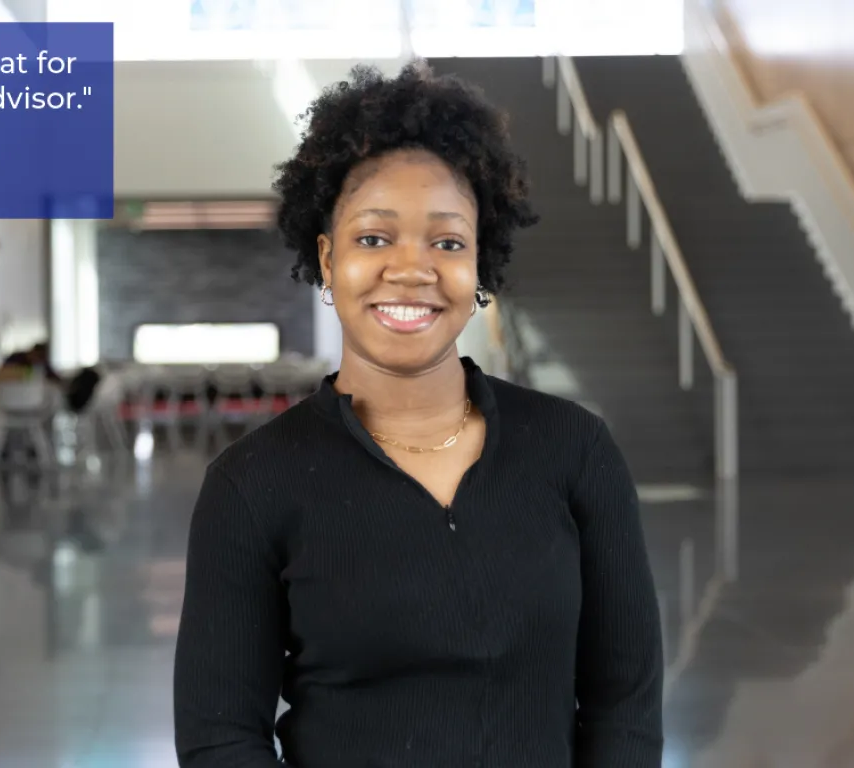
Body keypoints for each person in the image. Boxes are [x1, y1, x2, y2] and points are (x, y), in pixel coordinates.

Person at [172, 61, 663, 767]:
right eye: (374, 238)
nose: (412, 269)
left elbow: (626, 707)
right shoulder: (252, 484)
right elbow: (221, 738)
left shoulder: (574, 450)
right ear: (327, 255)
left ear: (479, 263)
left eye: (448, 241)